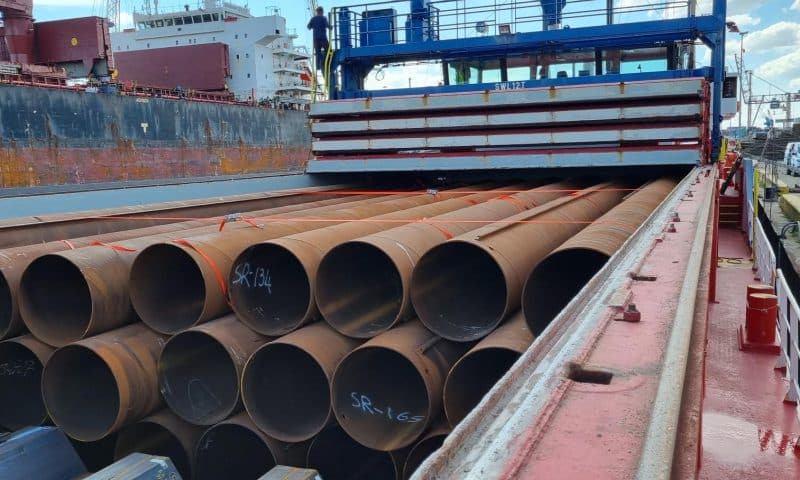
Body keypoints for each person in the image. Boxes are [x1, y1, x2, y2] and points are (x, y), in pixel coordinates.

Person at [307, 6, 331, 70]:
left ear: (316, 12)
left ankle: (318, 67)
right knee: (328, 50)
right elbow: (327, 25)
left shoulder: (313, 19)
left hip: (315, 39)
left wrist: (314, 26)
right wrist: (331, 27)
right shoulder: (323, 18)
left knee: (318, 52)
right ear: (322, 11)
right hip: (323, 38)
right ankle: (325, 63)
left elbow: (308, 27)